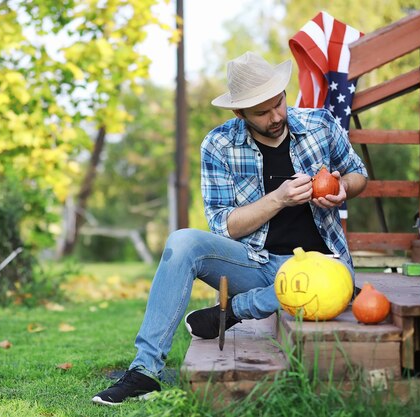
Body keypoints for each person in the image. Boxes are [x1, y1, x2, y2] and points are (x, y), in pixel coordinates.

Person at [91, 51, 368, 406]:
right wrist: (279, 199)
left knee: (337, 284)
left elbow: (358, 174)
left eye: (279, 103)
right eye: (262, 112)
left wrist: (344, 188)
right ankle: (144, 371)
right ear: (239, 113)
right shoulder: (219, 145)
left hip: (319, 266)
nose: (276, 116)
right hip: (255, 263)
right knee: (182, 242)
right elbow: (225, 226)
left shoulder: (320, 125)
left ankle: (237, 310)